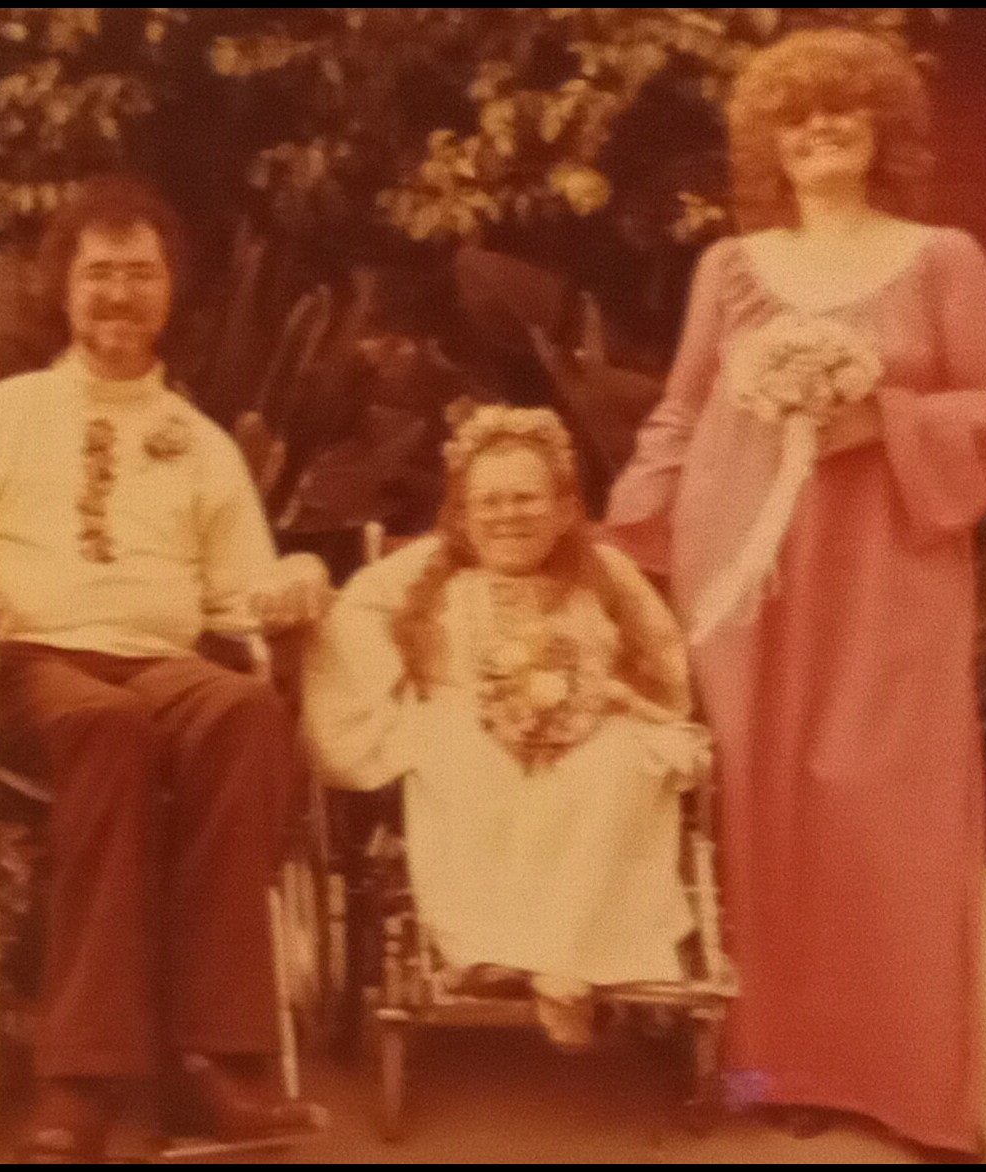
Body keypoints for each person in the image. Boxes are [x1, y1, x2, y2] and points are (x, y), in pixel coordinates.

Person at [602, 29, 986, 1160]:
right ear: (771, 142)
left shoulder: (944, 258)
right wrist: (622, 553)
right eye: (796, 118)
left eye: (843, 110)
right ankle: (768, 1068)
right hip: (746, 571)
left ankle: (908, 1084)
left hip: (889, 571)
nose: (820, 130)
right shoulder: (731, 268)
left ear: (881, 126)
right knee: (761, 810)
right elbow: (681, 414)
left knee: (886, 804)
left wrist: (883, 421)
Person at [0, 175, 331, 1161]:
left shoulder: (202, 442)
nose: (118, 295)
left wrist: (289, 581)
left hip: (163, 664)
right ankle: (78, 1078)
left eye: (139, 273)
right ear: (62, 289)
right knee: (107, 728)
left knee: (247, 706)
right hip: (32, 668)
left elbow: (240, 590)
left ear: (170, 291)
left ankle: (215, 1059)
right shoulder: (1, 415)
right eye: (98, 274)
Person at [303, 406, 710, 1047]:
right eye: (488, 502)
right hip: (467, 727)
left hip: (593, 727)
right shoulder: (424, 573)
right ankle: (493, 949)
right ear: (462, 515)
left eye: (526, 498)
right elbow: (351, 619)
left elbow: (664, 672)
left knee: (621, 764)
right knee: (455, 751)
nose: (508, 516)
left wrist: (604, 699)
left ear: (564, 507)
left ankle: (564, 962)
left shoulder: (608, 573)